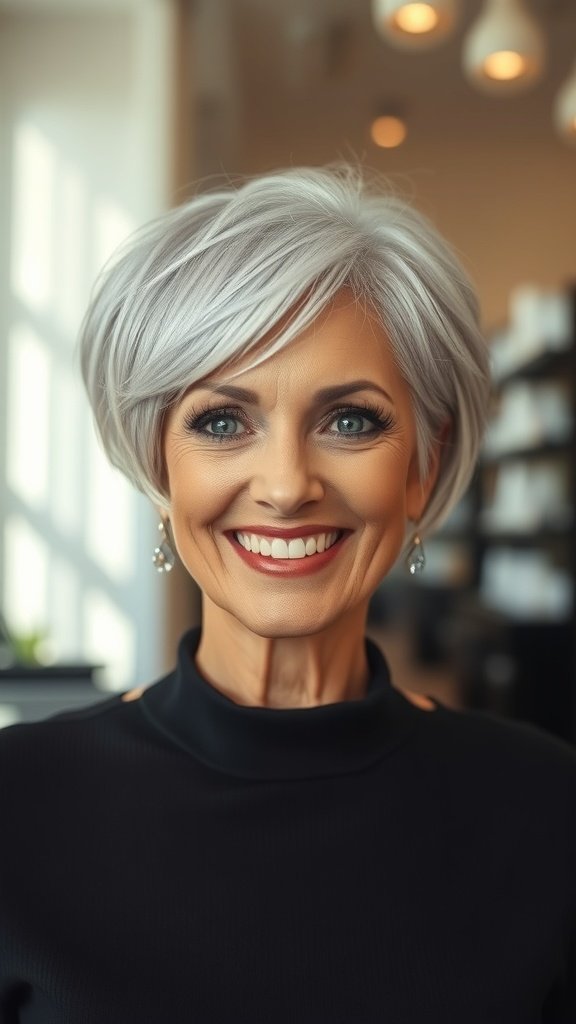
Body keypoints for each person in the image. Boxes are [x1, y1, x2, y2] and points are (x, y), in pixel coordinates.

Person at [0, 165, 574, 1023]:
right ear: (162, 467)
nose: (286, 485)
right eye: (222, 422)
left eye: (351, 421)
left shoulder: (550, 809)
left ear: (421, 466)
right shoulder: (16, 809)